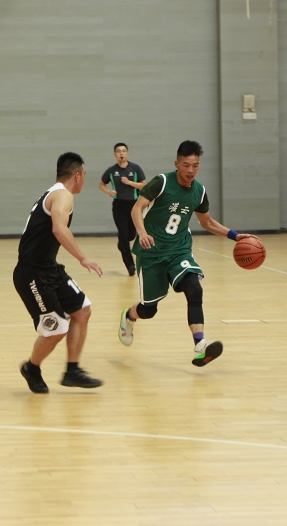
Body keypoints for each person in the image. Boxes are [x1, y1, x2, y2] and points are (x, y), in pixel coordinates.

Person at [118, 140, 253, 366]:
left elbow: (207, 222)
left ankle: (200, 345)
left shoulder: (199, 191)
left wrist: (235, 236)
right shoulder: (161, 182)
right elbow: (137, 208)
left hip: (179, 250)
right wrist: (141, 233)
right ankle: (129, 316)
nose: (191, 170)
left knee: (194, 289)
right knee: (149, 310)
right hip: (151, 253)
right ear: (177, 164)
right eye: (186, 165)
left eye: (195, 165)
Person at [13, 152, 104, 394]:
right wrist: (83, 258)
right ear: (77, 175)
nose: (84, 179)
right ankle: (32, 368)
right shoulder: (63, 195)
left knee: (82, 310)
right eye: (84, 175)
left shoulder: (54, 193)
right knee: (57, 328)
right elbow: (58, 229)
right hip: (32, 274)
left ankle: (72, 370)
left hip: (48, 267)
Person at [99, 142, 146, 275]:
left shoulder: (135, 168)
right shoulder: (111, 170)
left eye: (124, 151)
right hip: (119, 206)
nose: (121, 153)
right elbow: (101, 184)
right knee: (123, 234)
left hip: (134, 206)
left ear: (127, 153)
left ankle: (121, 245)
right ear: (115, 154)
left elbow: (144, 185)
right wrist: (108, 191)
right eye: (119, 151)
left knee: (131, 234)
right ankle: (130, 265)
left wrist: (130, 183)